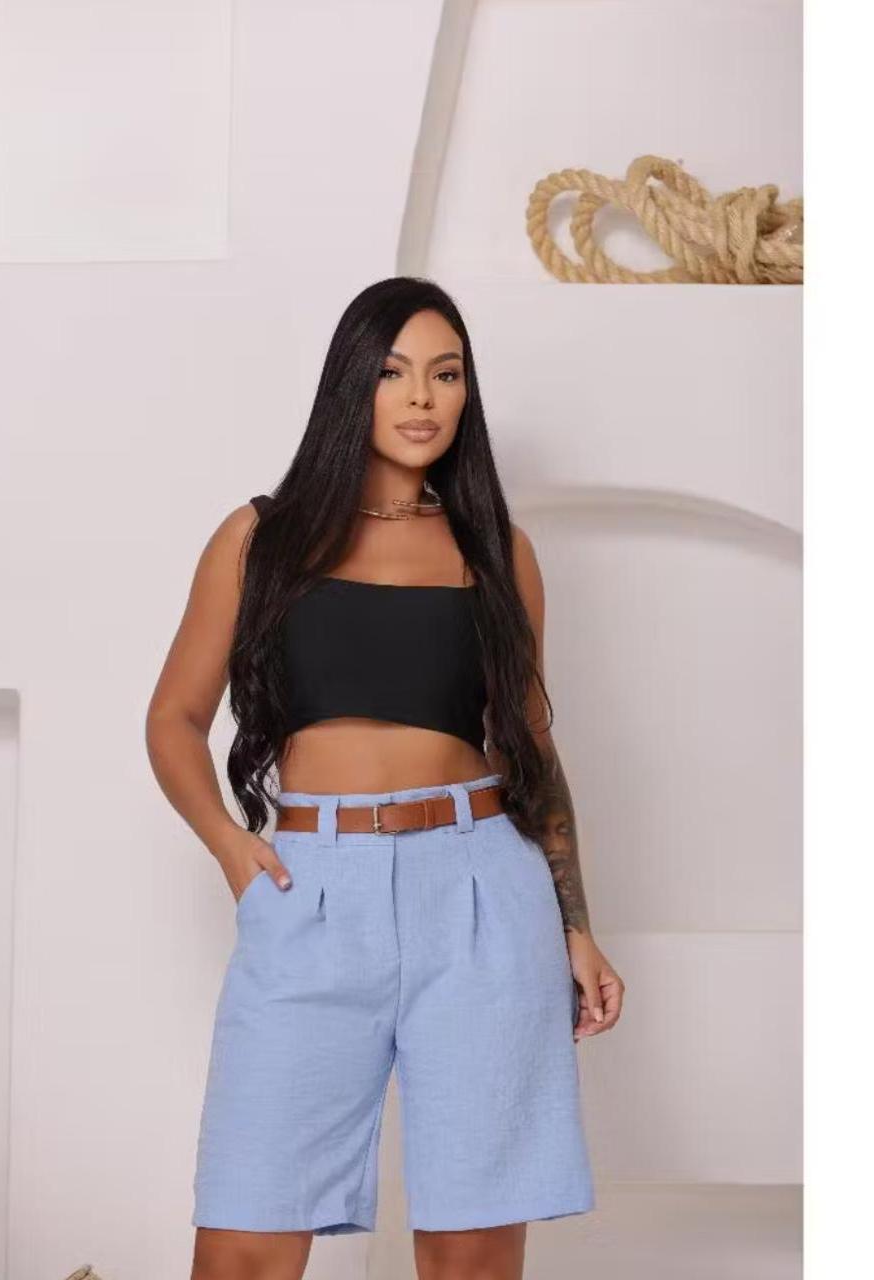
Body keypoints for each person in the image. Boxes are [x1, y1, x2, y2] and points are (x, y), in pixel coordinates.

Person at [145, 276, 625, 1280]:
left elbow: (530, 746)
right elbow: (174, 718)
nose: (421, 397)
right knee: (244, 1237)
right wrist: (231, 846)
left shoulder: (497, 551)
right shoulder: (261, 538)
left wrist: (574, 923)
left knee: (473, 1250)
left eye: (446, 374)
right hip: (314, 886)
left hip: (481, 891)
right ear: (351, 385)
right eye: (395, 372)